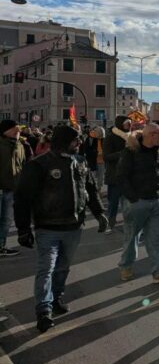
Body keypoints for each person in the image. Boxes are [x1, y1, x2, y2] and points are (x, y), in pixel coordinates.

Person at [14, 126, 106, 332]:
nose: (79, 143)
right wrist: (23, 228)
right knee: (45, 269)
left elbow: (90, 189)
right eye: (75, 140)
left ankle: (56, 298)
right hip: (48, 227)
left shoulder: (80, 162)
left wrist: (99, 213)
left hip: (74, 227)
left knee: (63, 267)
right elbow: (23, 198)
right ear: (64, 141)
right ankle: (43, 310)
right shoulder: (39, 164)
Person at [116, 123, 159, 283]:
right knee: (131, 237)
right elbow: (121, 176)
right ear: (150, 135)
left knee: (157, 238)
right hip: (137, 202)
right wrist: (133, 198)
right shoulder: (131, 151)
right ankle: (126, 267)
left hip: (157, 201)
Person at [0, 120, 26, 256]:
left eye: (19, 129)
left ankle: (1, 246)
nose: (18, 131)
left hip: (12, 188)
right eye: (15, 129)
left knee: (6, 220)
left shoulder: (19, 144)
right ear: (5, 130)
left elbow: (22, 164)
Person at [103, 115, 132, 233]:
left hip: (129, 177)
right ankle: (110, 224)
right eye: (127, 123)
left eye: (130, 124)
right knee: (113, 203)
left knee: (129, 204)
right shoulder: (110, 137)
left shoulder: (131, 137)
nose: (129, 126)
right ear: (120, 124)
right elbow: (106, 157)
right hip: (115, 176)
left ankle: (129, 225)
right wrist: (123, 153)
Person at [81, 126, 106, 192]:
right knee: (92, 176)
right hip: (92, 161)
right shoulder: (90, 139)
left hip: (102, 161)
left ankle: (99, 189)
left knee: (101, 176)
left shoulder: (104, 139)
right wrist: (95, 153)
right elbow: (86, 150)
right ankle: (92, 189)